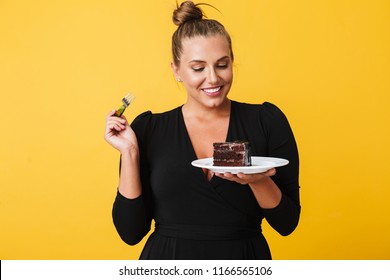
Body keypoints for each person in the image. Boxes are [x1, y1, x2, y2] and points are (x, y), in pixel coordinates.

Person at [104, 0, 300, 260]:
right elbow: (130, 232)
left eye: (222, 65)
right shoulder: (149, 129)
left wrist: (258, 179)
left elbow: (287, 223)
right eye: (198, 68)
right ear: (176, 70)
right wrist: (129, 151)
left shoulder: (266, 121)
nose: (213, 78)